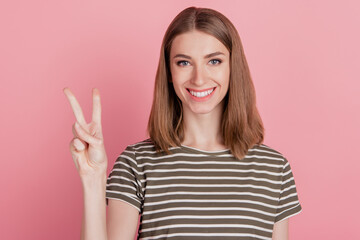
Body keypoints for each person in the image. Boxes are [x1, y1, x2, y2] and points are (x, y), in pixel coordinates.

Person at [64, 6, 302, 240]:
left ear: (232, 67)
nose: (199, 78)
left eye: (214, 61)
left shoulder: (275, 169)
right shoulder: (136, 163)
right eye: (184, 62)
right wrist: (93, 179)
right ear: (169, 71)